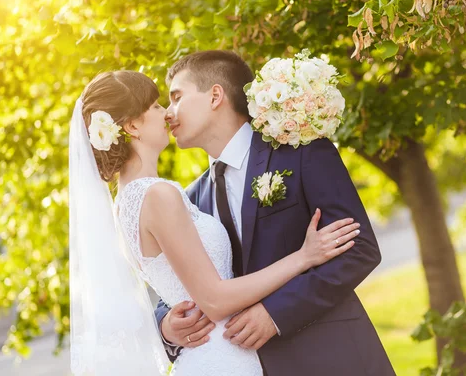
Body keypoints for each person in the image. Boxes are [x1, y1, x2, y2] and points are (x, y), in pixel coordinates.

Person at [68, 70, 359, 375]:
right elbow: (215, 300)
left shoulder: (126, 201)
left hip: (215, 355)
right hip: (222, 357)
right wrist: (305, 257)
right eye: (155, 106)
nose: (166, 113)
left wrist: (167, 325)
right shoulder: (157, 195)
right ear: (132, 126)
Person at [157, 51, 396, 376]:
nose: (168, 114)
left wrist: (275, 313)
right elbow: (176, 285)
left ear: (215, 96)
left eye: (176, 97)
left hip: (332, 358)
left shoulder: (301, 153)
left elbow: (360, 250)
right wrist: (167, 326)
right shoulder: (189, 201)